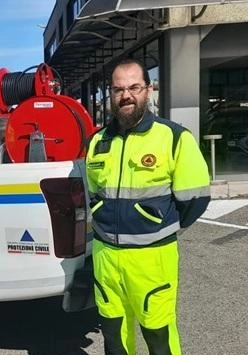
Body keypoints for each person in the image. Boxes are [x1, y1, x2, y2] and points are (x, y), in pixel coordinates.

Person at [86, 58, 210, 355]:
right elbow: (92, 192)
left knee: (158, 335)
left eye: (134, 87)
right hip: (106, 257)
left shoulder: (174, 137)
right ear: (110, 94)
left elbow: (196, 199)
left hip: (153, 258)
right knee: (113, 336)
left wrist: (157, 225)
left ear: (148, 90)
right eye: (118, 89)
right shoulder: (97, 141)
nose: (126, 95)